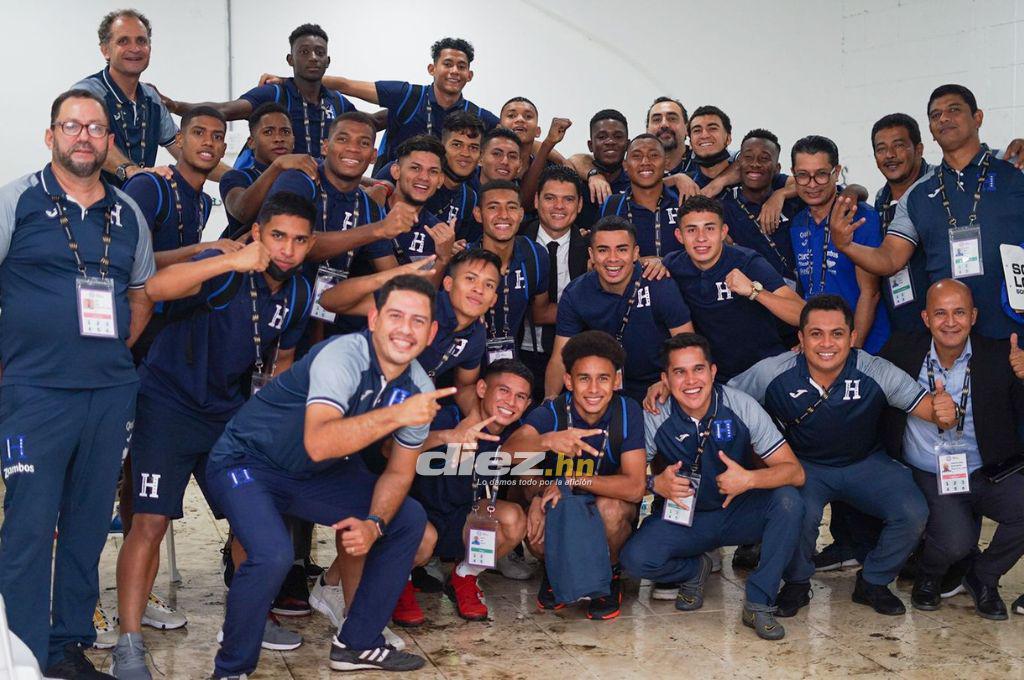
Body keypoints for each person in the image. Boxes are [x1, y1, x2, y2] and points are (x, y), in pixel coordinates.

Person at [111, 192, 316, 679]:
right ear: (259, 233)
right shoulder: (223, 264)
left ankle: (245, 624)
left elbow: (280, 364)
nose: (287, 249)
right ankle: (129, 642)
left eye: (300, 240)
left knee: (251, 522)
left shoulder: (300, 293)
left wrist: (266, 424)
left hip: (229, 413)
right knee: (151, 522)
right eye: (278, 236)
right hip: (167, 406)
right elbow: (156, 287)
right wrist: (229, 258)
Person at [207, 275, 452, 677]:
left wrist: (374, 524)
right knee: (273, 554)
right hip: (246, 462)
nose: (405, 329)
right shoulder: (343, 356)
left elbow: (399, 471)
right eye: (396, 316)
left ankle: (357, 643)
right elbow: (320, 441)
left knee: (406, 518)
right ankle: (231, 669)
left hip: (311, 476)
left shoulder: (418, 388)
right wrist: (399, 414)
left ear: (432, 332)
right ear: (373, 318)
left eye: (418, 321)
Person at [0, 88, 156, 677]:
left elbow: (140, 296)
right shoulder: (15, 201)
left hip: (109, 395)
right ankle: (19, 652)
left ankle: (66, 643)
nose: (84, 136)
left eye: (95, 127)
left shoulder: (128, 212)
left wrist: (113, 353)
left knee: (89, 524)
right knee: (30, 526)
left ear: (110, 142)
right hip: (34, 395)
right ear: (51, 136)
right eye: (71, 126)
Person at [729, 295, 958, 618]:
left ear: (852, 338)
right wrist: (667, 387)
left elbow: (932, 412)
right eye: (816, 333)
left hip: (865, 462)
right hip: (805, 466)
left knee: (912, 511)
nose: (826, 343)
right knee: (797, 514)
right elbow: (724, 399)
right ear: (801, 337)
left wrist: (945, 413)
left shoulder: (874, 370)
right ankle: (796, 583)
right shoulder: (773, 372)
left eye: (837, 334)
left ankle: (873, 581)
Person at [620, 333, 805, 640]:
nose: (690, 381)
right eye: (679, 372)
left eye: (698, 369)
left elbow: (795, 472)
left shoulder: (740, 405)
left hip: (738, 511)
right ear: (665, 379)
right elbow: (628, 481)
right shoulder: (655, 415)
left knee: (789, 502)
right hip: (688, 517)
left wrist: (749, 479)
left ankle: (759, 601)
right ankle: (695, 569)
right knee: (635, 560)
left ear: (713, 371)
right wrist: (656, 483)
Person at [829, 84, 1024, 342]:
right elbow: (889, 258)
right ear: (932, 131)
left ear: (978, 118)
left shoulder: (1013, 169)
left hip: (1013, 329)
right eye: (935, 115)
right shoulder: (917, 194)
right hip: (951, 337)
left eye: (954, 110)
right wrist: (846, 245)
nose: (943, 118)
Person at [879, 279, 1024, 620]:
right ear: (925, 318)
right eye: (940, 313)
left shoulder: (999, 355)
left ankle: (984, 576)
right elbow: (868, 385)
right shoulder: (901, 350)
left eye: (959, 312)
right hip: (927, 471)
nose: (950, 322)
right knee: (956, 542)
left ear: (973, 316)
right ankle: (928, 575)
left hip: (985, 470)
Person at [505, 331, 646, 621]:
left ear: (616, 381)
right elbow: (507, 453)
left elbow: (634, 488)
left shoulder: (627, 410)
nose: (593, 388)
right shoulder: (552, 413)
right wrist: (547, 442)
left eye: (603, 378)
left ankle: (610, 573)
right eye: (584, 378)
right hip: (561, 505)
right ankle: (556, 570)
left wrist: (570, 481)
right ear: (568, 381)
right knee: (543, 512)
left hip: (600, 504)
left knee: (610, 510)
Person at [412, 359, 534, 620]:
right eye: (503, 390)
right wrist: (446, 436)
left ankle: (464, 576)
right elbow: (390, 451)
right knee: (423, 540)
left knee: (513, 518)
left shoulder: (514, 433)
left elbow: (529, 470)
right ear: (481, 389)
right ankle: (398, 585)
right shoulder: (448, 417)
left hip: (465, 517)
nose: (511, 402)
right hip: (422, 518)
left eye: (520, 396)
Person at [546, 216, 693, 403]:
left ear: (635, 253)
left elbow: (687, 345)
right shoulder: (576, 293)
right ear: (591, 255)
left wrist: (668, 382)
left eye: (622, 249)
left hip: (659, 383)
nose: (612, 259)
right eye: (603, 250)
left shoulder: (659, 284)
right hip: (604, 388)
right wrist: (549, 399)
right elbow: (560, 357)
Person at [162, 24, 359, 161]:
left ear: (328, 60)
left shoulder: (337, 102)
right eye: (304, 52)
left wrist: (391, 102)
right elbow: (224, 109)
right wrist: (176, 106)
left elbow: (371, 123)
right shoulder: (273, 94)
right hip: (270, 192)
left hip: (321, 195)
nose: (314, 58)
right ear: (290, 59)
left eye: (320, 52)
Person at [661, 196, 805, 382]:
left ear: (723, 232)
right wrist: (652, 263)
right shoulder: (672, 265)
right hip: (715, 380)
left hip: (765, 368)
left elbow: (802, 314)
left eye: (710, 228)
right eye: (691, 230)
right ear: (679, 236)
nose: (701, 238)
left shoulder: (747, 262)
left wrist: (755, 292)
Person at [302, 37, 499, 172]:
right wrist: (291, 81)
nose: (454, 71)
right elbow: (346, 85)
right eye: (447, 64)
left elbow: (514, 139)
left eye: (461, 67)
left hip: (441, 198)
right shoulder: (407, 95)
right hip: (389, 189)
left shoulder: (476, 115)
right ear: (432, 68)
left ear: (470, 75)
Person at [789, 135, 889, 354]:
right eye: (803, 176)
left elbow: (870, 293)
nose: (812, 184)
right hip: (821, 348)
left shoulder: (861, 217)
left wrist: (854, 351)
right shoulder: (797, 223)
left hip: (864, 346)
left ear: (836, 172)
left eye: (821, 175)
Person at [71, 9, 179, 186]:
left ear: (149, 49)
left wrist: (234, 179)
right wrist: (132, 171)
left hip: (134, 208)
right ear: (105, 50)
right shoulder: (86, 93)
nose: (135, 48)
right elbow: (89, 141)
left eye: (141, 41)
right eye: (123, 41)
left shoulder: (151, 98)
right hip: (89, 209)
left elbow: (186, 151)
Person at [123, 106, 233, 268]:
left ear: (223, 150)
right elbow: (130, 261)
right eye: (198, 132)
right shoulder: (148, 186)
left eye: (217, 136)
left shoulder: (205, 203)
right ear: (180, 139)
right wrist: (201, 249)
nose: (208, 142)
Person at [518, 165, 590, 401]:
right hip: (518, 356)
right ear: (537, 200)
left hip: (575, 359)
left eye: (568, 199)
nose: (559, 207)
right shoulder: (514, 242)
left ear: (579, 205)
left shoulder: (594, 249)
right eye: (550, 198)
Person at [468, 180, 551, 363]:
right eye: (493, 207)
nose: (503, 215)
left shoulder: (535, 256)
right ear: (478, 214)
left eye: (511, 207)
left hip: (510, 365)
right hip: (463, 366)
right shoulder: (462, 262)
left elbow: (540, 312)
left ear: (521, 214)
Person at [869, 114, 932, 333]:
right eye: (881, 149)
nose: (890, 155)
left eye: (899, 145)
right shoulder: (880, 199)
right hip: (902, 326)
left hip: (948, 325)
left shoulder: (941, 184)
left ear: (919, 149)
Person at [219, 102, 318, 239]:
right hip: (247, 257)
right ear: (251, 142)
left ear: (293, 140)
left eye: (285, 132)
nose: (278, 139)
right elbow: (242, 212)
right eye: (268, 132)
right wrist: (277, 166)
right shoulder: (235, 177)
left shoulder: (306, 174)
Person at [364, 135, 454, 277]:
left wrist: (443, 259)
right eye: (415, 168)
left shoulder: (437, 234)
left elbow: (423, 294)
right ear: (396, 171)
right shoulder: (368, 204)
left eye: (433, 171)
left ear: (440, 180)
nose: (424, 177)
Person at [721, 129, 800, 287]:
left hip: (794, 295)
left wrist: (780, 195)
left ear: (777, 168)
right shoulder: (723, 206)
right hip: (748, 296)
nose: (755, 164)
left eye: (764, 158)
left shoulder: (793, 202)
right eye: (748, 157)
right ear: (738, 164)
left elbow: (848, 191)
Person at [600, 135, 682, 260]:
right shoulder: (611, 205)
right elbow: (599, 256)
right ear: (625, 165)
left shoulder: (683, 200)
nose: (645, 162)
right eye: (637, 156)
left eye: (654, 155)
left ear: (666, 162)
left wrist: (665, 264)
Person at [568, 109, 631, 228]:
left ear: (627, 144)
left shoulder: (635, 184)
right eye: (602, 137)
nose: (610, 142)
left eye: (618, 136)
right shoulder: (576, 183)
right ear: (590, 145)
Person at [646, 97, 694, 177]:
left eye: (672, 118)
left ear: (686, 128)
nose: (664, 125)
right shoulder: (636, 168)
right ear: (647, 130)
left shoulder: (705, 165)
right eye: (657, 119)